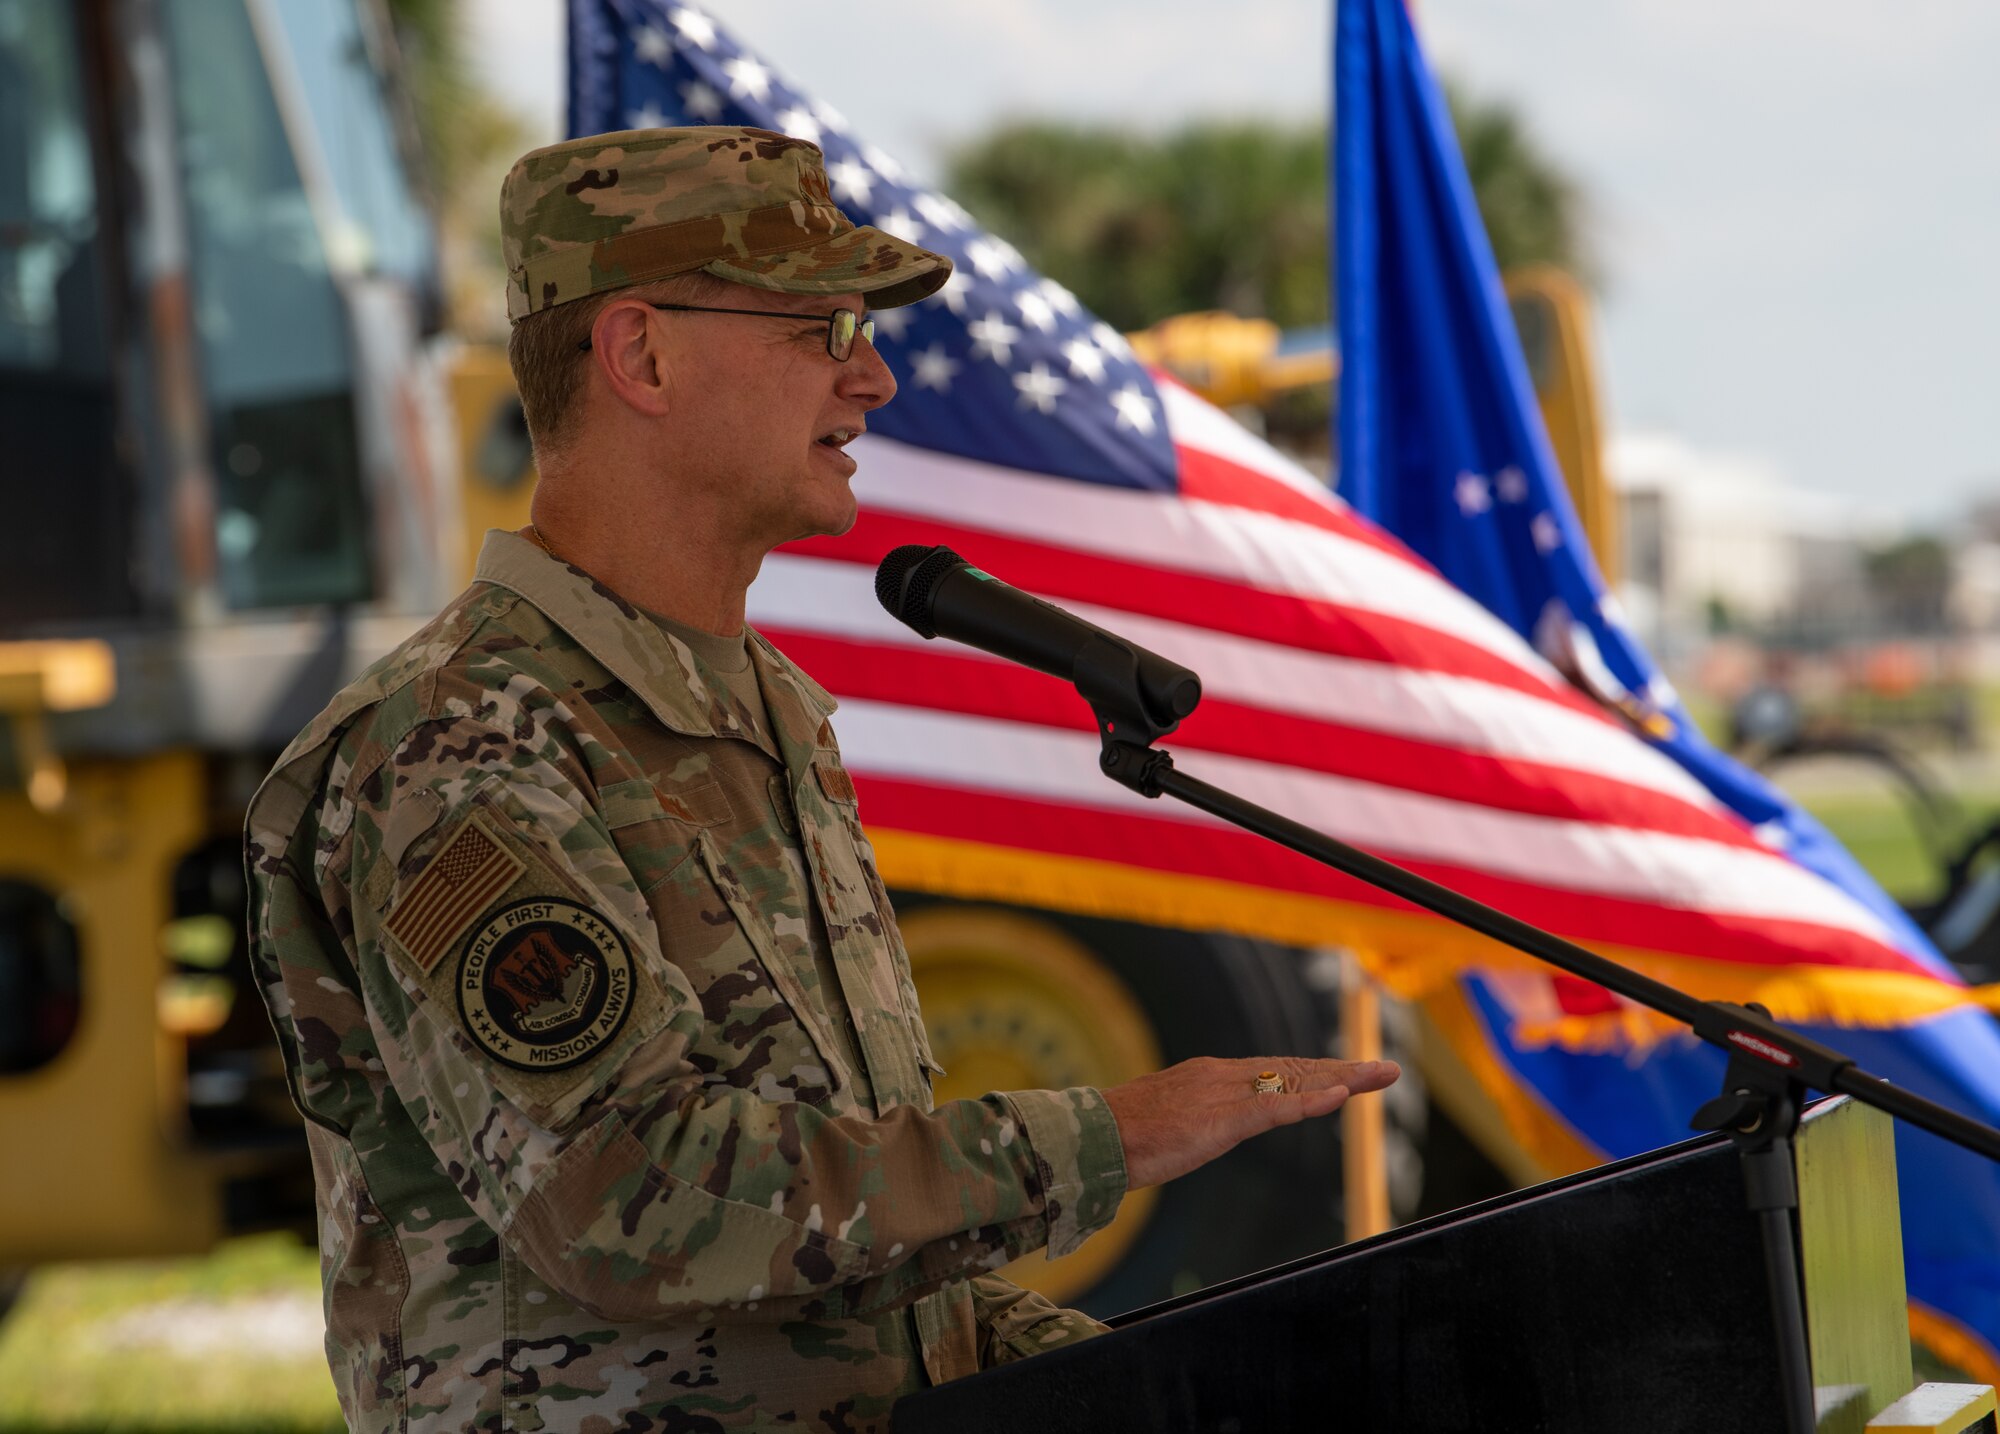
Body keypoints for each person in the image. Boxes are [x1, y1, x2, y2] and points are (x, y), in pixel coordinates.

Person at [244, 125, 1399, 1434]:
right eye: (822, 328)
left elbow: (841, 1269)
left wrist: (1165, 1372)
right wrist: (1108, 1136)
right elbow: (628, 1196)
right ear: (642, 353)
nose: (875, 380)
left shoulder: (764, 711)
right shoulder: (453, 742)